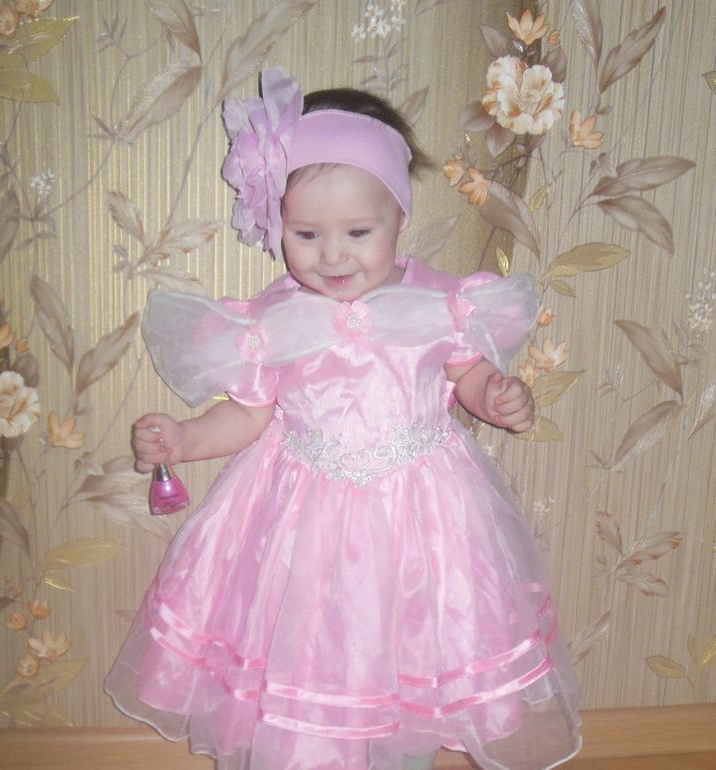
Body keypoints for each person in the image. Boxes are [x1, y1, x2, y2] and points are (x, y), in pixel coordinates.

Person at [105, 68, 581, 770]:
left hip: (423, 520)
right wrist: (184, 438)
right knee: (308, 655)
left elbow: (469, 375)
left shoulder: (442, 304)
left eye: (358, 231)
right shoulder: (272, 318)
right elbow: (246, 415)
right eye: (306, 233)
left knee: (414, 656)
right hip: (303, 525)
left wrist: (498, 396)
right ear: (278, 227)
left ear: (400, 219)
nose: (332, 255)